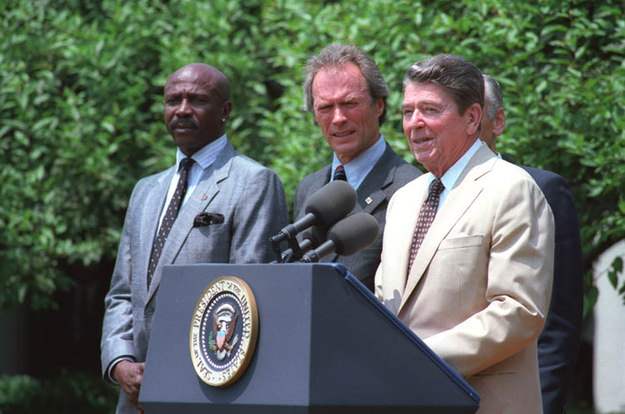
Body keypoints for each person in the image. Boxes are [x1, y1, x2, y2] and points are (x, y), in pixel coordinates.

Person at [100, 63, 288, 414]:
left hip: (208, 391)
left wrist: (179, 374)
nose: (182, 110)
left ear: (225, 111)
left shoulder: (254, 183)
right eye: (173, 100)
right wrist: (120, 362)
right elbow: (123, 292)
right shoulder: (145, 190)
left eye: (197, 100)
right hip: (135, 395)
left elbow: (248, 304)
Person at [375, 54, 555, 414]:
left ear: (473, 118)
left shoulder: (512, 188)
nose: (415, 123)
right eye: (407, 112)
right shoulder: (403, 199)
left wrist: (421, 358)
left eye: (429, 109)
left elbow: (518, 311)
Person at [482, 73, 583, 414]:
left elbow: (557, 321)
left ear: (498, 121)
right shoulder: (420, 196)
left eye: (474, 113)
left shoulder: (541, 189)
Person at [294, 43, 421, 291]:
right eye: (326, 107)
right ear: (314, 115)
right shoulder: (307, 188)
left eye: (350, 103)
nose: (339, 118)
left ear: (379, 105)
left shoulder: (411, 188)